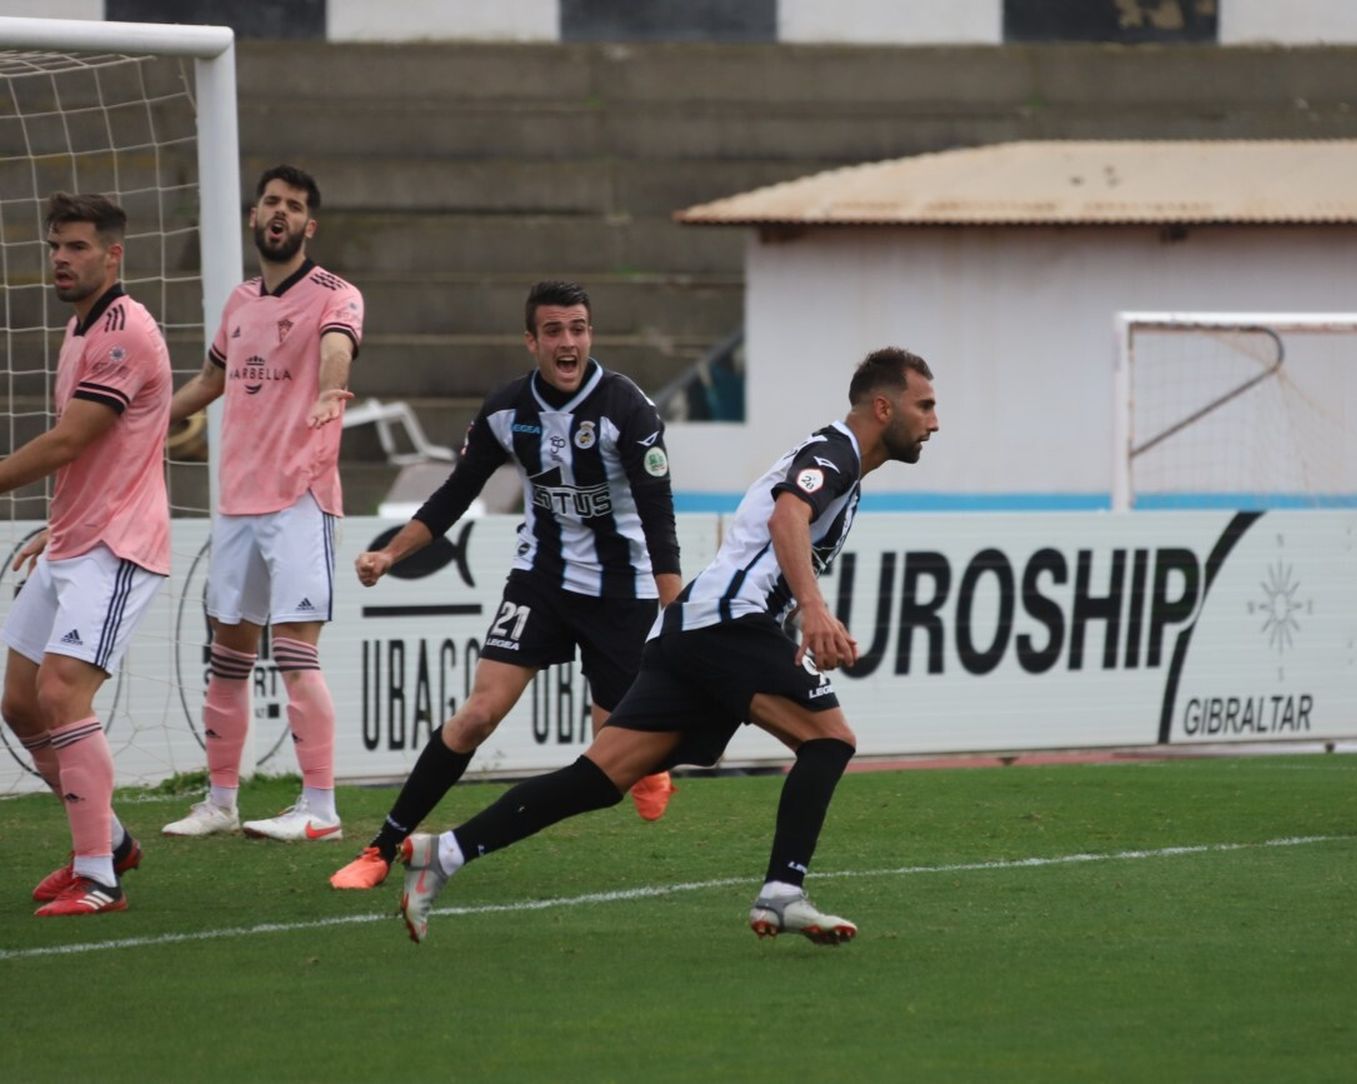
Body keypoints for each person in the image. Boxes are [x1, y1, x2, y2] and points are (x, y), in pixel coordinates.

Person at [392, 346, 938, 945]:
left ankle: (442, 853)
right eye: (925, 405)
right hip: (727, 623)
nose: (934, 422)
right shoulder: (832, 451)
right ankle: (783, 891)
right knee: (830, 740)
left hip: (691, 628)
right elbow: (788, 518)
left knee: (598, 777)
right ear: (883, 407)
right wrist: (813, 612)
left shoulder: (845, 467)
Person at [328, 280, 684, 891]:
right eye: (553, 331)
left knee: (611, 760)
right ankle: (383, 847)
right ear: (532, 341)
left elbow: (658, 517)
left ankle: (645, 763)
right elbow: (452, 497)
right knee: (477, 715)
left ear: (590, 334)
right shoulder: (507, 410)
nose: (567, 342)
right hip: (540, 582)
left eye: (577, 328)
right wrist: (389, 555)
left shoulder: (629, 411)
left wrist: (673, 614)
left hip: (620, 594)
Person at [161, 165, 362, 842]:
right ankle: (221, 802)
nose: (280, 212)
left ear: (310, 225)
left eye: (295, 205)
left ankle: (321, 809)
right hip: (238, 501)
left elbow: (336, 349)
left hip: (299, 495)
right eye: (271, 201)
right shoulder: (241, 302)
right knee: (229, 654)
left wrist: (332, 389)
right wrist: (146, 417)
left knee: (296, 652)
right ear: (255, 216)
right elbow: (212, 379)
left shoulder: (337, 295)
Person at [1, 193, 172, 915]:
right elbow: (86, 457)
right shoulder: (81, 330)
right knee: (18, 703)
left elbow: (69, 441)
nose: (62, 259)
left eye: (76, 247)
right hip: (74, 537)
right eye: (55, 246)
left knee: (63, 693)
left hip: (119, 544)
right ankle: (107, 836)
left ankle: (99, 875)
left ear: (113, 254)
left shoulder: (123, 332)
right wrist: (52, 524)